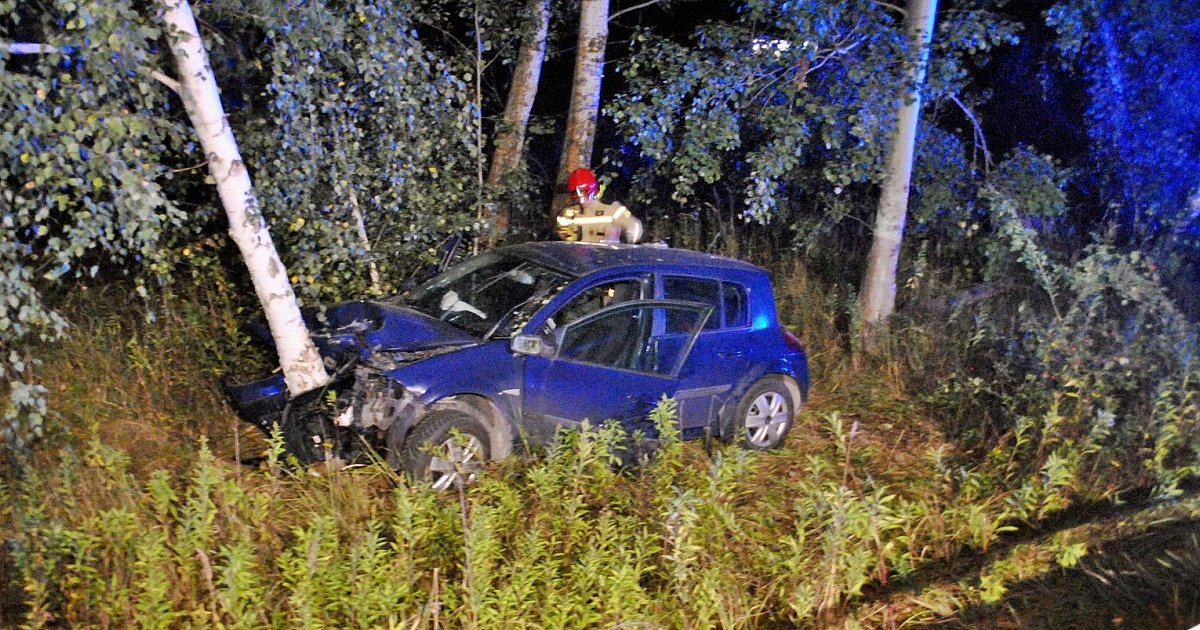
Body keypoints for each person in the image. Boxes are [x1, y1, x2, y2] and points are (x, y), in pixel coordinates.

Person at [556, 168, 644, 243]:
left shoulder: (612, 208)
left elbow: (635, 226)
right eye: (577, 195)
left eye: (585, 195)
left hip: (606, 258)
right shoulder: (571, 213)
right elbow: (561, 232)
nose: (582, 200)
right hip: (578, 259)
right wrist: (564, 234)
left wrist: (627, 236)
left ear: (593, 190)